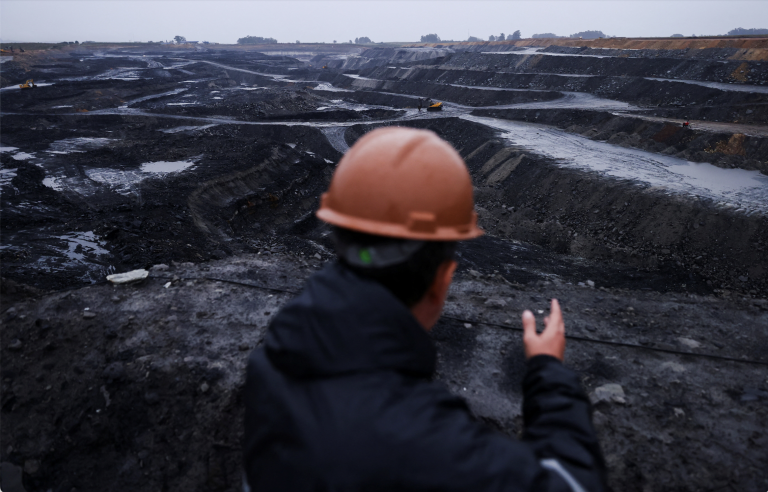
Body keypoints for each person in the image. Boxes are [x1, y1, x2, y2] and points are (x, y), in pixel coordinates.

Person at [244, 127, 607, 492]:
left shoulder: (275, 358)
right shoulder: (426, 446)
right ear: (442, 280)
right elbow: (575, 482)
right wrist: (548, 373)